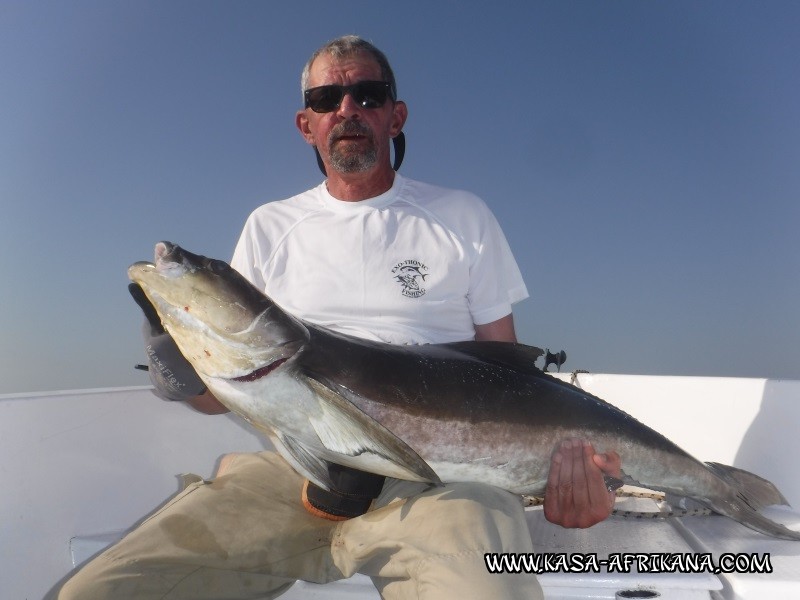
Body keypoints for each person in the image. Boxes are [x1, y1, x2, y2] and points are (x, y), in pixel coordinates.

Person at [53, 36, 621, 600]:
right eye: (327, 99)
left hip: (441, 485)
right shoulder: (270, 227)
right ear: (307, 125)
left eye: (367, 95)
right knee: (98, 592)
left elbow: (510, 377)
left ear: (395, 117)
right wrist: (177, 366)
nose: (347, 110)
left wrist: (559, 475)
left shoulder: (460, 217)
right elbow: (226, 390)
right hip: (291, 474)